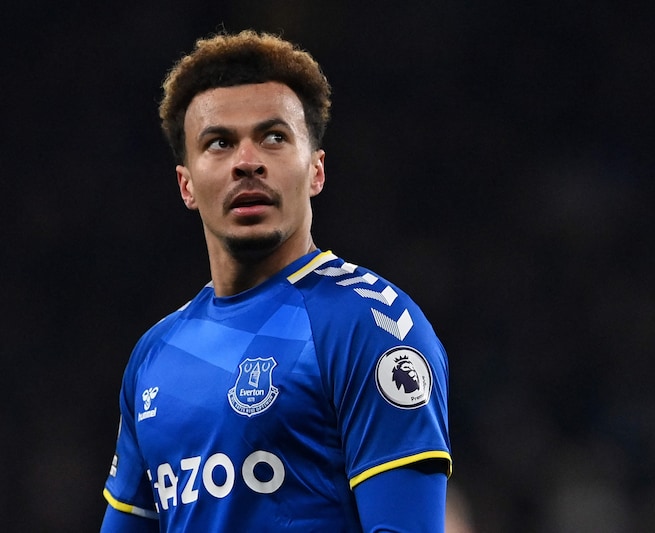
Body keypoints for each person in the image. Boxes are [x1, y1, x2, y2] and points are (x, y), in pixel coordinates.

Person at [100, 29, 452, 532]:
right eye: (219, 143)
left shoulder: (372, 326)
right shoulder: (154, 354)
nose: (247, 162)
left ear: (316, 171)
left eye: (273, 137)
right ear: (186, 185)